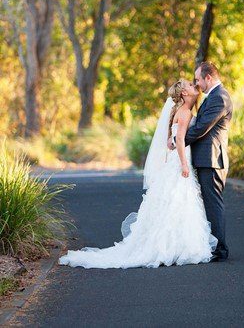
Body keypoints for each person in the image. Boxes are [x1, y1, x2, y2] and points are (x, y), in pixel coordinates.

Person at [58, 78, 218, 269]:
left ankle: (174, 245)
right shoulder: (184, 112)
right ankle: (176, 247)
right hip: (178, 163)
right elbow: (181, 140)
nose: (194, 86)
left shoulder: (181, 111)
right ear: (184, 93)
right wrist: (184, 165)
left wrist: (174, 145)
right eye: (190, 86)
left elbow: (172, 139)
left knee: (174, 203)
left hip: (174, 162)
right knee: (178, 201)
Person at [169, 61, 233, 261]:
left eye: (197, 79)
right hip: (205, 159)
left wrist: (178, 141)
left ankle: (220, 250)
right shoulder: (211, 97)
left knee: (213, 204)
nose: (196, 83)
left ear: (208, 77)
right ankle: (212, 245)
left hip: (212, 159)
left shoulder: (219, 98)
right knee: (207, 204)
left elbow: (202, 127)